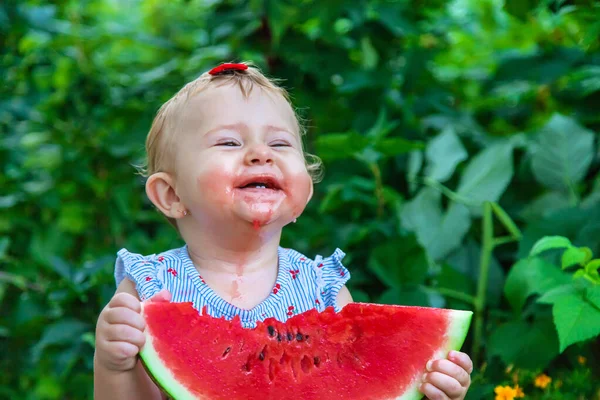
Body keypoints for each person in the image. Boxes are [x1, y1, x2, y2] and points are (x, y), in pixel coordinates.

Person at [94, 62, 473, 400]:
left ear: (303, 191)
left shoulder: (321, 286)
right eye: (229, 142)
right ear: (172, 194)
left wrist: (430, 388)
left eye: (280, 143)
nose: (262, 153)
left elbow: (356, 389)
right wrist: (115, 366)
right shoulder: (150, 289)